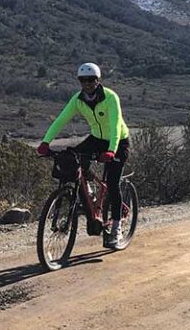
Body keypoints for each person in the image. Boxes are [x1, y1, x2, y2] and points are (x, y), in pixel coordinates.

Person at [37, 62, 130, 248]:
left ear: (98, 80)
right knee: (72, 157)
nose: (87, 83)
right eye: (83, 80)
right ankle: (90, 194)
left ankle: (117, 228)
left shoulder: (110, 98)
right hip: (96, 138)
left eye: (91, 80)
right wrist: (46, 142)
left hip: (118, 141)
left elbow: (115, 126)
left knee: (112, 183)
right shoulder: (78, 99)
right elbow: (61, 120)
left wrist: (111, 150)